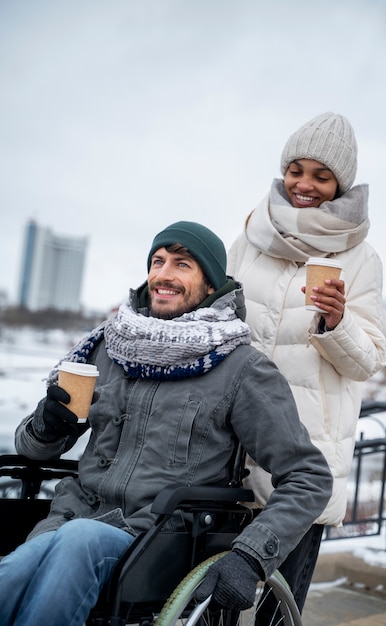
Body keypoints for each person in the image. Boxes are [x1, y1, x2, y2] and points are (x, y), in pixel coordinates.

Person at [0, 221, 332, 626]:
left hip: (160, 540)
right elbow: (31, 450)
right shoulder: (107, 348)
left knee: (78, 541)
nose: (164, 274)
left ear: (210, 284)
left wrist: (250, 556)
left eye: (182, 264)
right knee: (12, 575)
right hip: (69, 519)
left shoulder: (243, 369)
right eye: (157, 261)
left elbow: (309, 476)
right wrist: (47, 426)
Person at [227, 112, 386, 612]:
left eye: (321, 176)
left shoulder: (363, 259)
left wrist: (336, 323)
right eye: (297, 170)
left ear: (340, 184)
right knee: (216, 597)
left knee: (280, 609)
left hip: (306, 456)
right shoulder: (248, 239)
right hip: (231, 446)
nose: (305, 185)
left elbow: (370, 360)